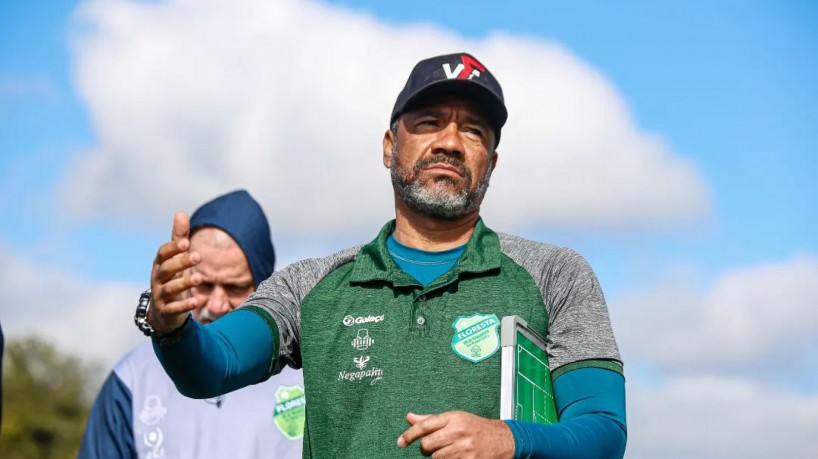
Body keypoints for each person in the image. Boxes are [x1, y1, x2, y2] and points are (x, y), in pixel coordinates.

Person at [147, 53, 627, 458]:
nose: (450, 143)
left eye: (475, 131)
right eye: (429, 123)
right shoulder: (311, 285)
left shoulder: (556, 274)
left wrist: (507, 439)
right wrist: (173, 328)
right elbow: (213, 366)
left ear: (492, 164)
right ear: (388, 146)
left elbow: (604, 429)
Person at [79, 190, 304, 459]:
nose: (217, 304)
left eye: (235, 287)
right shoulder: (134, 378)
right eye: (203, 285)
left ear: (266, 286)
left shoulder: (306, 372)